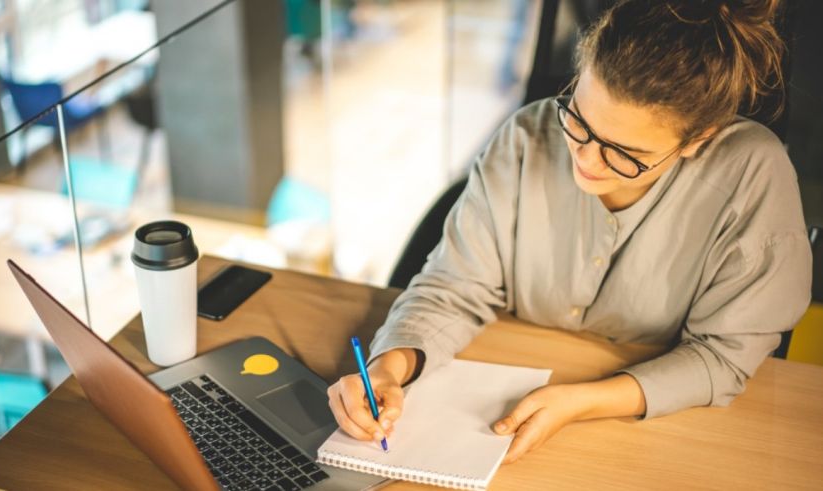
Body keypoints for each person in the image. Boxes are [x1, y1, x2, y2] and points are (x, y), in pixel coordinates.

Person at [327, 0, 812, 464]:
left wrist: (582, 402)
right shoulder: (525, 138)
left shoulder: (751, 175)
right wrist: (388, 369)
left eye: (623, 153)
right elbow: (453, 287)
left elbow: (723, 358)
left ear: (697, 139)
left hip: (658, 438)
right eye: (578, 119)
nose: (584, 158)